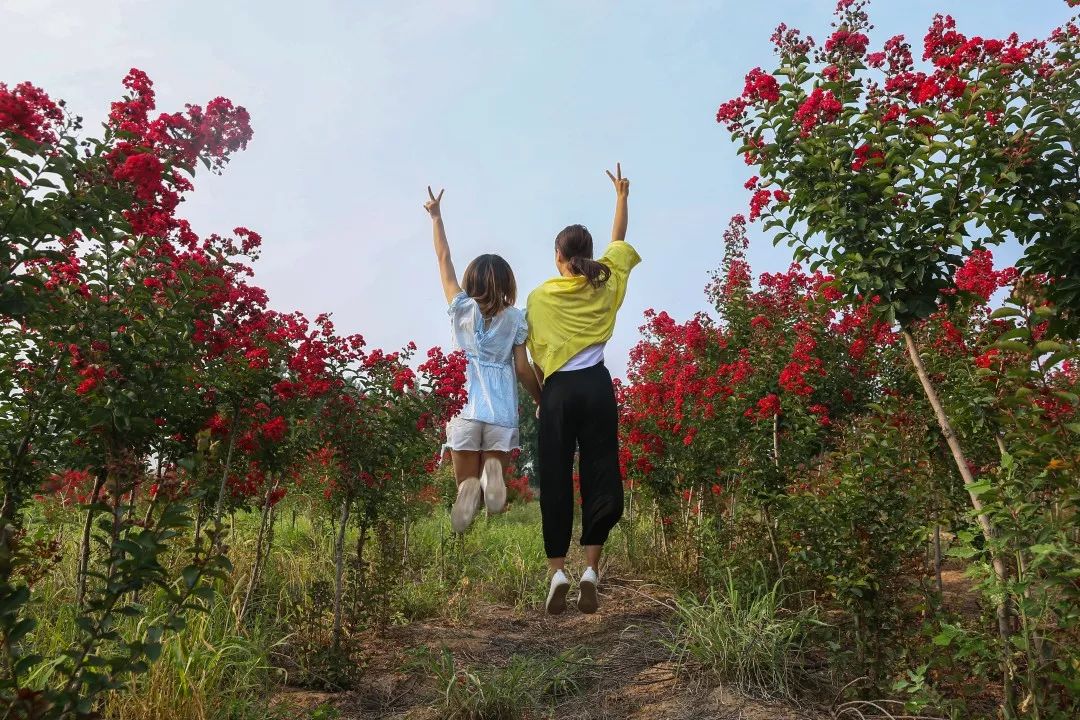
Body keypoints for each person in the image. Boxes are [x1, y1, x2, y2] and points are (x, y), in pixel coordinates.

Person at [526, 164, 640, 614]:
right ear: (589, 254)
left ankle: (557, 572)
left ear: (558, 255)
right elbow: (619, 243)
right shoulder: (606, 280)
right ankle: (591, 569)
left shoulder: (540, 297)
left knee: (555, 478)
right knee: (600, 471)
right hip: (596, 386)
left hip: (557, 391)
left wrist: (542, 401)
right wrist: (621, 197)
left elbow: (530, 358)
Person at [424, 187, 543, 534]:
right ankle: (493, 496)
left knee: (465, 485)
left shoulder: (460, 307)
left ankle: (467, 504)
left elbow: (444, 260)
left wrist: (436, 217)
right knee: (495, 480)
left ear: (470, 280)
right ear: (508, 283)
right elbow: (522, 369)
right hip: (501, 412)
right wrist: (540, 399)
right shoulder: (516, 318)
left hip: (464, 406)